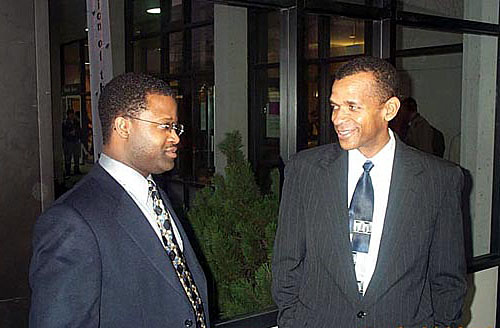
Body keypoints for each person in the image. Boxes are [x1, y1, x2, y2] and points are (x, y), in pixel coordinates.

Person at [272, 56, 466, 327]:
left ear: (389, 109)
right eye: (335, 106)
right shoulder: (304, 170)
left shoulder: (439, 180)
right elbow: (286, 262)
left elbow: (447, 277)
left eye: (352, 107)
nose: (338, 118)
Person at [30, 73, 209, 328]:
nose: (176, 138)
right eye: (165, 126)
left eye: (176, 127)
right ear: (123, 126)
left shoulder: (155, 195)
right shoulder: (71, 221)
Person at [62, 109, 82, 176]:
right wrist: (70, 133)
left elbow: (79, 130)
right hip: (69, 142)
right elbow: (63, 133)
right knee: (68, 156)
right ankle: (68, 171)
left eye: (72, 114)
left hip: (75, 140)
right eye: (70, 114)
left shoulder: (76, 121)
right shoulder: (65, 123)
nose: (72, 115)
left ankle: (76, 169)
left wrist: (77, 135)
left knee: (76, 156)